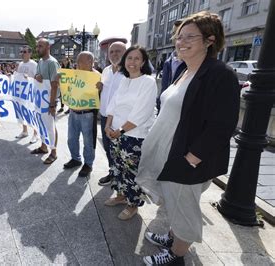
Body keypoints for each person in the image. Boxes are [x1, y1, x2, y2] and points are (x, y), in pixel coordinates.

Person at [137, 12, 240, 265]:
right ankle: (174, 238)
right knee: (175, 203)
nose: (180, 42)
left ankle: (177, 255)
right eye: (178, 37)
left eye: (189, 37)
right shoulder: (185, 69)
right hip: (170, 150)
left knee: (184, 209)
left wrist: (191, 158)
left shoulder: (220, 73)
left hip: (187, 157)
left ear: (209, 40)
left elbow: (223, 124)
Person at [103, 45, 157, 220]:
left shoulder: (147, 82)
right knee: (117, 166)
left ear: (143, 62)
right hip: (116, 132)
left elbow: (142, 112)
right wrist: (108, 124)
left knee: (131, 171)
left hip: (134, 135)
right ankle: (120, 195)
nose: (132, 62)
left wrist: (120, 130)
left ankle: (133, 204)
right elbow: (113, 104)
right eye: (129, 58)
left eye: (136, 58)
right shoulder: (124, 80)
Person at [63, 51, 100, 177]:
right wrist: (60, 80)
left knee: (88, 141)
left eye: (80, 61)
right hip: (73, 112)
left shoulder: (97, 77)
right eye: (77, 61)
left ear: (90, 62)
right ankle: (76, 159)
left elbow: (102, 96)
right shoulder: (74, 74)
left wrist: (101, 88)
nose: (77, 64)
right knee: (71, 139)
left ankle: (88, 164)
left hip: (87, 114)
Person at [96, 42, 127, 186]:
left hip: (120, 119)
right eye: (112, 52)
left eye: (118, 51)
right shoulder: (106, 71)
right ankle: (112, 172)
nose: (114, 54)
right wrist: (99, 88)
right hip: (104, 116)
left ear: (125, 52)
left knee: (121, 151)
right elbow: (103, 93)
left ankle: (122, 177)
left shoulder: (129, 72)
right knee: (108, 148)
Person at [30, 38, 60, 164]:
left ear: (48, 47)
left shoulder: (52, 63)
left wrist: (52, 104)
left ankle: (54, 152)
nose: (38, 49)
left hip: (49, 100)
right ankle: (44, 146)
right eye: (37, 46)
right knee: (41, 123)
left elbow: (55, 84)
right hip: (40, 99)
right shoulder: (40, 62)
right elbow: (36, 77)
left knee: (50, 125)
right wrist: (37, 76)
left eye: (40, 46)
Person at [158, 19, 187, 113]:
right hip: (164, 113)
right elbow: (164, 89)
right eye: (174, 33)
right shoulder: (168, 62)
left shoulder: (193, 64)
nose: (175, 36)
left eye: (180, 33)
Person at [15, 45, 39, 143]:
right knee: (22, 111)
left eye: (24, 52)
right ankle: (24, 131)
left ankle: (36, 133)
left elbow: (37, 78)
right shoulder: (20, 64)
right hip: (21, 93)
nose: (22, 54)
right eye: (21, 52)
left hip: (31, 93)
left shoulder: (34, 64)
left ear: (30, 53)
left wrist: (28, 78)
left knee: (32, 112)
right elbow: (18, 76)